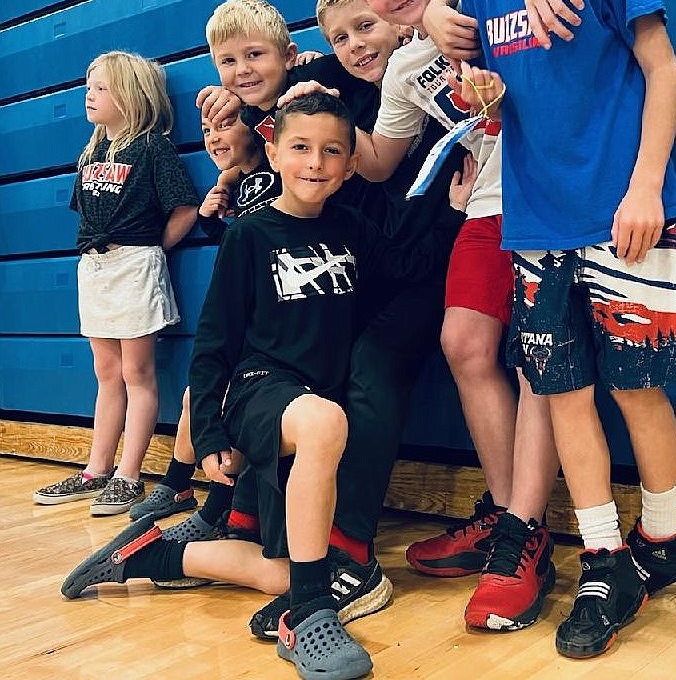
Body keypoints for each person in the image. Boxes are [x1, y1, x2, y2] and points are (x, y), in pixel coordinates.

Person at [62, 92, 476, 680]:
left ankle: (157, 555)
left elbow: (409, 266)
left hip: (307, 404)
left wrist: (456, 211)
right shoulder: (250, 235)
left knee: (291, 567)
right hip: (261, 389)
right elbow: (213, 346)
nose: (316, 162)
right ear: (274, 153)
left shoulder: (354, 227)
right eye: (301, 148)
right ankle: (307, 618)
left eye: (333, 151)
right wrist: (207, 436)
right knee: (327, 424)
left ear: (351, 163)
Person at [300, 0, 616, 632]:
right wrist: (317, 110)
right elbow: (379, 159)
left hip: (546, 194)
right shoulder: (406, 68)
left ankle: (521, 526)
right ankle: (513, 515)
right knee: (464, 341)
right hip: (485, 207)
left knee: (542, 354)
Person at [443, 0, 676, 657]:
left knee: (637, 386)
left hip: (625, 211)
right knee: (562, 396)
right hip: (535, 226)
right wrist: (480, 96)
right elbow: (495, 105)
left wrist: (644, 186)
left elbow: (663, 72)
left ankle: (665, 533)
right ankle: (602, 555)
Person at [33, 51, 199, 515]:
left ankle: (129, 476)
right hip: (96, 267)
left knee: (137, 374)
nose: (90, 95)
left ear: (131, 95)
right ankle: (96, 469)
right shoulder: (92, 152)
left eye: (101, 88)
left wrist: (151, 249)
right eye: (90, 87)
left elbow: (184, 206)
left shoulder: (151, 147)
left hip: (134, 265)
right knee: (106, 374)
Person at [130, 111, 269, 525]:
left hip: (273, 316)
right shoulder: (240, 184)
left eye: (225, 125)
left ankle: (208, 501)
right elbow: (240, 247)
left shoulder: (277, 170)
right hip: (246, 309)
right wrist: (210, 219)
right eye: (206, 130)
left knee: (221, 400)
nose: (212, 137)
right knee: (199, 394)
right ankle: (179, 485)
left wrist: (225, 181)